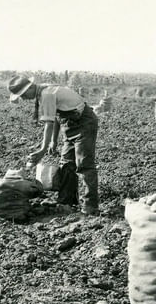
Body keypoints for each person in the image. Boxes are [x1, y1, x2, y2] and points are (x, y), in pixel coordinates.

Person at [8, 76, 99, 215]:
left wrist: (42, 150)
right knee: (66, 163)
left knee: (84, 165)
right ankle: (66, 203)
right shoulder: (43, 91)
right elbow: (56, 116)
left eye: (23, 95)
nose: (24, 99)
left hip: (84, 123)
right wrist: (53, 141)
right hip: (69, 124)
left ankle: (90, 207)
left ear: (30, 88)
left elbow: (48, 124)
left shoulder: (47, 94)